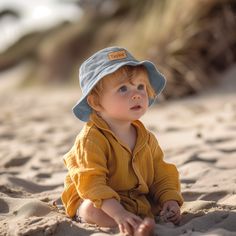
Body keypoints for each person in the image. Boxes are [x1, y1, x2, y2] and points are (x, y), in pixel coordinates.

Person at [61, 46, 184, 236]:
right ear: (95, 102)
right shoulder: (91, 139)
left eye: (141, 86)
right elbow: (90, 182)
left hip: (134, 199)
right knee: (90, 209)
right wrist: (118, 213)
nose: (136, 94)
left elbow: (161, 173)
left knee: (155, 204)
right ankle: (131, 227)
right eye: (123, 88)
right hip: (98, 198)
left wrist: (170, 200)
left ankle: (136, 221)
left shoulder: (147, 138)